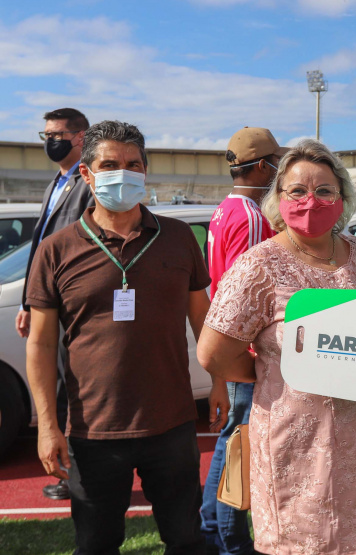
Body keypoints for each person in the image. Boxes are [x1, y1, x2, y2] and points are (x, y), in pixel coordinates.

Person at [25, 120, 211, 554]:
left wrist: (219, 381)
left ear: (145, 171)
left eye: (133, 164)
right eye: (109, 164)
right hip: (93, 430)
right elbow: (40, 343)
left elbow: (202, 317)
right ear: (87, 173)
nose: (123, 173)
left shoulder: (179, 237)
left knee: (186, 538)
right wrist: (47, 426)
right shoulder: (56, 249)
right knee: (96, 543)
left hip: (172, 423)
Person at [197, 140, 356, 555]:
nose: (310, 201)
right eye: (297, 190)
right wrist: (269, 374)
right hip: (292, 440)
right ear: (278, 198)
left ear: (343, 198)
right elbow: (213, 354)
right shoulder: (258, 265)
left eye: (324, 191)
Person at [200, 126, 284, 555]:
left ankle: (214, 526)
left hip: (229, 342)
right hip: (243, 349)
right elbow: (247, 294)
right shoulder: (252, 217)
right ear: (266, 166)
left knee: (230, 441)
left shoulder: (225, 210)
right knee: (239, 445)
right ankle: (229, 537)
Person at [17, 107, 94, 501]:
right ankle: (75, 474)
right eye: (45, 134)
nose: (50, 140)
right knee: (60, 391)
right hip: (50, 305)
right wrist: (30, 302)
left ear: (80, 137)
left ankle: (76, 477)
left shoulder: (87, 183)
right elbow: (41, 247)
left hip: (73, 308)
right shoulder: (57, 181)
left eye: (57, 133)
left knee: (71, 396)